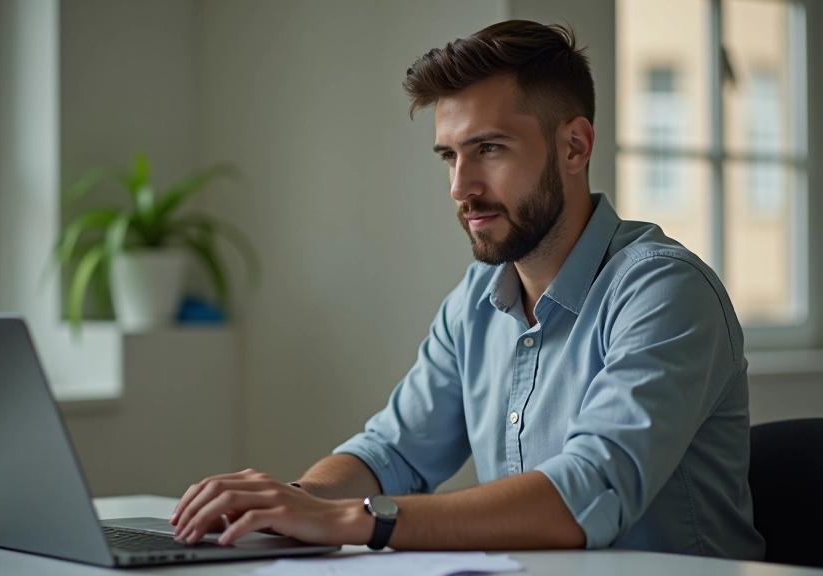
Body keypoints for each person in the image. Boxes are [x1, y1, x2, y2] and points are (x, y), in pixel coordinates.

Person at [169, 20, 765, 560]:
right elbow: (391, 453)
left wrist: (352, 521)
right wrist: (293, 505)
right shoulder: (478, 297)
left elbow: (585, 494)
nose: (460, 186)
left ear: (575, 146)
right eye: (449, 156)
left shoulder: (663, 292)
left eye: (489, 149)